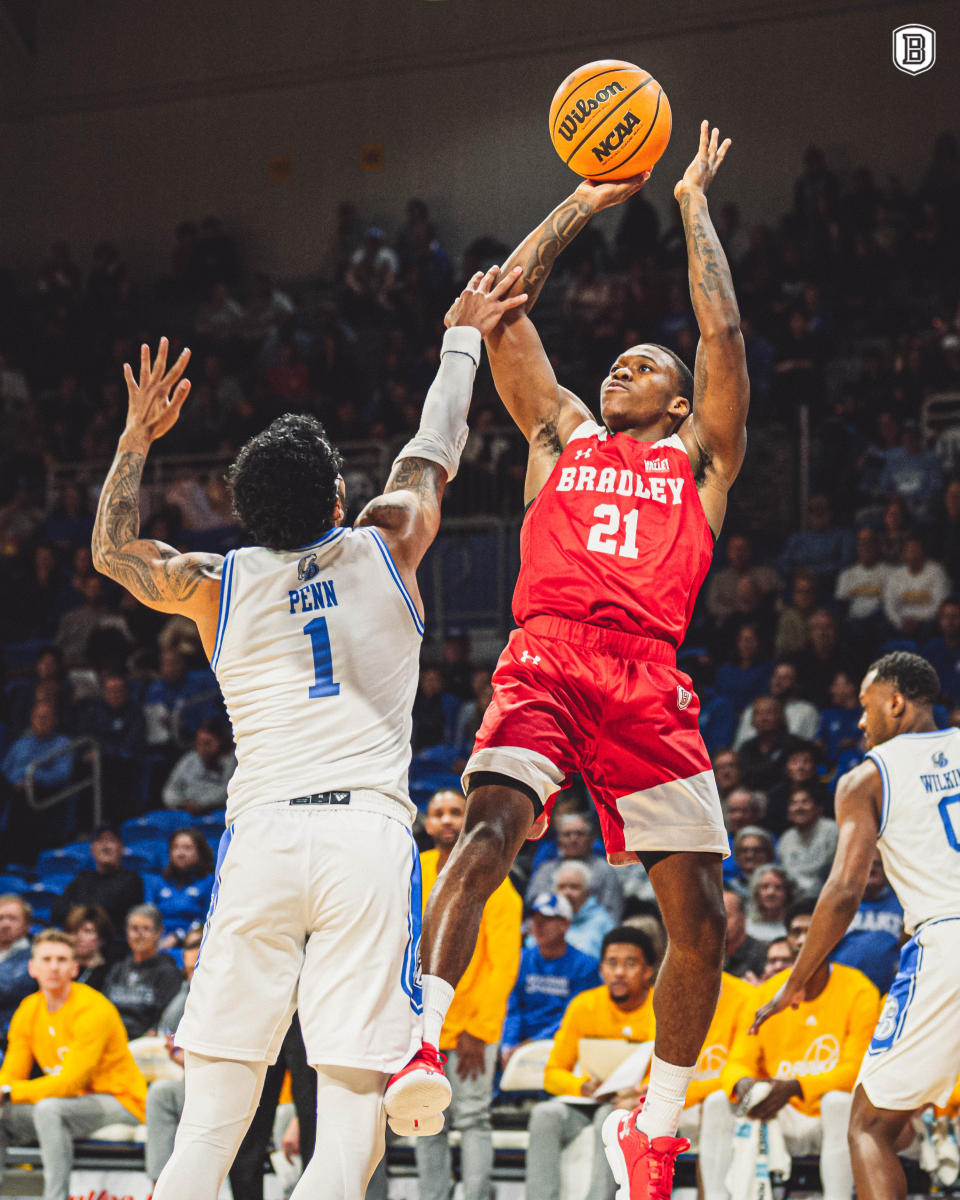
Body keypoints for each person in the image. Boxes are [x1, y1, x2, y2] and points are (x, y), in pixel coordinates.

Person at [90, 273, 526, 1200]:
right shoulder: (387, 539)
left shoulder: (216, 580)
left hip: (265, 839)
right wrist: (460, 340)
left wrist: (135, 441)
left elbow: (112, 551)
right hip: (365, 841)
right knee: (349, 1127)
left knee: (208, 1130)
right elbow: (432, 447)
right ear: (338, 492)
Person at [387, 122, 750, 1197]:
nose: (619, 367)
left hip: (646, 673)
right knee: (487, 826)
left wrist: (688, 202)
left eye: (645, 364)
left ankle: (660, 1123)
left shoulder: (701, 459)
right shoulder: (561, 436)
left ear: (680, 403)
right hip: (546, 657)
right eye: (618, 360)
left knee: (699, 919)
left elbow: (721, 326)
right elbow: (501, 304)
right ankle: (420, 1034)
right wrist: (584, 202)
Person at [752, 651, 960, 1200]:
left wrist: (796, 980)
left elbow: (844, 890)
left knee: (870, 1127)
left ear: (895, 702)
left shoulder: (867, 778)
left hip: (946, 939)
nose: (860, 722)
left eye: (867, 709)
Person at [701, 899, 879, 1200]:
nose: (801, 940)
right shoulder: (768, 993)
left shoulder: (859, 990)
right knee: (719, 1100)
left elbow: (856, 1071)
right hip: (777, 1110)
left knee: (838, 1102)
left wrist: (796, 1086)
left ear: (832, 937)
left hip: (823, 1114)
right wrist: (743, 1083)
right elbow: (737, 1061)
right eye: (795, 932)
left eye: (811, 931)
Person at [414, 789, 522, 1200]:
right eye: (438, 813)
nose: (446, 820)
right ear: (427, 824)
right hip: (421, 1025)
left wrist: (478, 1029)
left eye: (455, 812)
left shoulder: (494, 876)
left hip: (470, 1028)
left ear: (469, 819)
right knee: (423, 1119)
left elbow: (503, 965)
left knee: (473, 1119)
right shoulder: (414, 870)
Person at [0, 930, 146, 1200]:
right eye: (46, 959)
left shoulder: (93, 1008)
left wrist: (9, 1093)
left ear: (74, 967)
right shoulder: (28, 1009)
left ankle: (55, 1197)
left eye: (61, 959)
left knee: (48, 1109)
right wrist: (3, 1091)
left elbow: (70, 1083)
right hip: (72, 1104)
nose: (54, 966)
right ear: (32, 968)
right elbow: (10, 1072)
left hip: (121, 1101)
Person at [524, 927, 658, 1200]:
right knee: (544, 1115)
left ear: (648, 972)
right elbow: (552, 1074)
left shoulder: (661, 1008)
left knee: (608, 1118)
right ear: (601, 969)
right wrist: (583, 1087)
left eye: (630, 964)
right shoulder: (584, 1005)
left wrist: (637, 1095)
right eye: (612, 963)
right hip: (589, 1100)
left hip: (638, 1107)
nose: (619, 972)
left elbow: (670, 1073)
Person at [501, 892, 600, 1065]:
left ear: (565, 925)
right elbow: (512, 1009)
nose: (538, 926)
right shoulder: (520, 959)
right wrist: (509, 1044)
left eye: (546, 919)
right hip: (519, 1045)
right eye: (535, 919)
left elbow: (574, 1017)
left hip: (562, 1044)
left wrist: (532, 1045)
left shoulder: (586, 966)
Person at [102, 904, 183, 1039]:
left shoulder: (168, 972)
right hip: (112, 1039)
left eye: (146, 929)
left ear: (159, 932)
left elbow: (168, 1020)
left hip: (146, 1045)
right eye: (134, 929)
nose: (139, 935)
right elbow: (103, 1009)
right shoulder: (117, 969)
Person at [526, 813, 624, 922]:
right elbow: (533, 906)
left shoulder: (605, 870)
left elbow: (612, 912)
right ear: (559, 841)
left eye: (579, 834)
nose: (573, 839)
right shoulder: (546, 870)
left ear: (591, 840)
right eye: (567, 834)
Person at [830, 854, 903, 994]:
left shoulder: (903, 903)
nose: (872, 868)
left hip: (891, 991)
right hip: (845, 990)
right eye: (867, 863)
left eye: (877, 864)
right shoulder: (840, 904)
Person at [50, 824, 144, 932]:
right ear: (92, 849)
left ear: (121, 848)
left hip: (114, 944)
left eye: (111, 840)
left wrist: (78, 909)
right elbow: (56, 911)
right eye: (100, 841)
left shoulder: (132, 880)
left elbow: (110, 910)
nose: (105, 846)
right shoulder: (82, 879)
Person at [144, 828, 214, 946]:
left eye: (187, 848)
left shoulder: (208, 882)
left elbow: (209, 921)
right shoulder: (156, 882)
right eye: (175, 848)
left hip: (194, 945)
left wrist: (178, 936)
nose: (180, 853)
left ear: (199, 853)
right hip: (158, 943)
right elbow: (147, 917)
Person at [161, 717, 236, 814]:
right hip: (185, 811)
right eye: (199, 743)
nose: (202, 748)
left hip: (217, 813)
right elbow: (171, 787)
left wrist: (199, 804)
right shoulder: (189, 759)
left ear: (221, 742)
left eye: (207, 743)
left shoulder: (233, 761)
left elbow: (227, 791)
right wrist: (178, 803)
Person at [775, 785, 838, 894]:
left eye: (805, 802)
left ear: (818, 809)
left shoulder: (831, 831)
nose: (799, 807)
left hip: (827, 894)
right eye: (793, 803)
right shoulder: (785, 839)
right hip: (795, 898)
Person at [554, 860, 616, 960]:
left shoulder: (604, 922)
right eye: (562, 887)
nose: (567, 892)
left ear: (587, 891)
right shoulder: (546, 919)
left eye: (574, 887)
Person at [0, 896, 33, 1051]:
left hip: (9, 1035)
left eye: (12, 919)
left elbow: (7, 989)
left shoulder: (35, 955)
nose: (5, 924)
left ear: (27, 926)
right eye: (1, 918)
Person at [62, 905, 112, 992]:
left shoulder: (112, 972)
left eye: (87, 931)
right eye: (74, 931)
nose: (79, 937)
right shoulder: (60, 970)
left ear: (101, 937)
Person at [721, 890, 767, 982]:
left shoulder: (763, 955)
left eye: (725, 916)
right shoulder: (703, 954)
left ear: (742, 919)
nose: (718, 923)